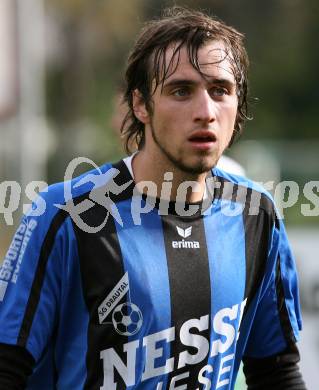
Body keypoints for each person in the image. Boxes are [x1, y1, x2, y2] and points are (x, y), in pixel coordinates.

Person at [0, 6, 306, 389]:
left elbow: (275, 370)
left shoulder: (256, 215)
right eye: (181, 91)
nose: (206, 112)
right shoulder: (66, 215)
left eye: (220, 91)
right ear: (140, 104)